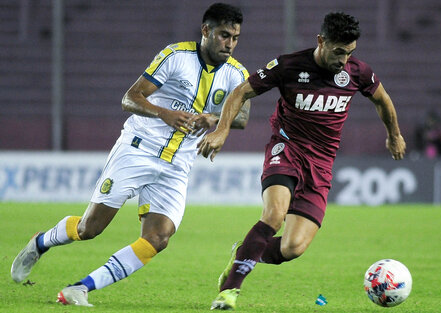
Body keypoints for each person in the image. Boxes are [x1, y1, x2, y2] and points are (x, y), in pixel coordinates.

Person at [11, 2, 250, 307]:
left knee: (158, 238)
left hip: (178, 164)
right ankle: (41, 241)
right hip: (138, 149)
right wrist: (163, 113)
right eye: (223, 35)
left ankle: (80, 289)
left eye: (235, 38)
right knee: (89, 229)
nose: (229, 44)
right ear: (206, 31)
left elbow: (241, 117)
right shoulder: (176, 57)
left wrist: (214, 120)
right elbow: (131, 98)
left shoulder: (235, 73)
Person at [197, 12, 406, 310]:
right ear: (321, 41)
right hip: (287, 149)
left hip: (321, 165)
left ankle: (244, 251)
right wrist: (221, 130)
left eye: (349, 53)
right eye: (338, 52)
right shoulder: (288, 66)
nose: (343, 60)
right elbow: (241, 92)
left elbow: (382, 100)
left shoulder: (357, 72)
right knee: (273, 215)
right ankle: (229, 291)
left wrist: (394, 135)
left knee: (292, 248)